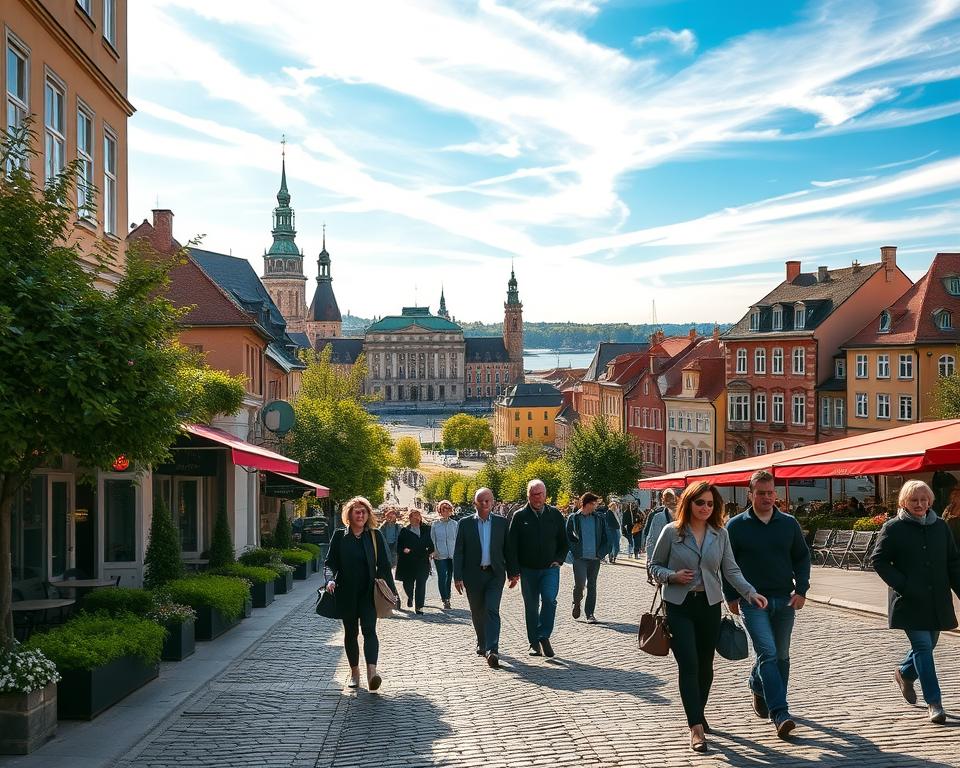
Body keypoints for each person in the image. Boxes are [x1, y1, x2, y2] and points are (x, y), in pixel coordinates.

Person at [650, 481, 768, 753]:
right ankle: (696, 728)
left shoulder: (720, 534)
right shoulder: (671, 532)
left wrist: (750, 593)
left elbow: (731, 570)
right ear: (689, 503)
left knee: (706, 667)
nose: (705, 507)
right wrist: (672, 576)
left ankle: (698, 712)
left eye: (710, 503)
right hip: (679, 605)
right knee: (689, 664)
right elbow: (652, 566)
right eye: (700, 502)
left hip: (709, 605)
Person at [724, 469, 810, 740]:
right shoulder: (736, 526)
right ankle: (780, 713)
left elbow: (802, 558)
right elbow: (727, 565)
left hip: (784, 599)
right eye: (760, 493)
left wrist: (802, 589)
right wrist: (731, 596)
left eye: (770, 492)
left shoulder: (789, 524)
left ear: (776, 494)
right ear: (750, 494)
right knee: (769, 653)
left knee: (781, 656)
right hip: (753, 601)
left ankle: (756, 684)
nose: (766, 497)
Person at [871, 480, 960, 725]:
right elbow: (878, 560)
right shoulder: (893, 527)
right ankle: (935, 702)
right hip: (909, 600)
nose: (919, 504)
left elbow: (953, 562)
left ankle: (904, 673)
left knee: (929, 644)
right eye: (914, 500)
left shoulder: (941, 527)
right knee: (922, 646)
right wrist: (904, 585)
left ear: (930, 501)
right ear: (904, 502)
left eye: (924, 499)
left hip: (936, 600)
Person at [324, 496, 398, 691]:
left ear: (368, 515)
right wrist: (330, 579)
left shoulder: (374, 536)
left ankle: (372, 672)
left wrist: (391, 593)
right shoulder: (340, 536)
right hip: (346, 592)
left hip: (368, 594)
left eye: (364, 511)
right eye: (357, 511)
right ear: (349, 515)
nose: (361, 515)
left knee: (369, 630)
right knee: (351, 633)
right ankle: (354, 672)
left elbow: (384, 566)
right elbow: (330, 563)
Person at [453, 487, 519, 668]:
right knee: (477, 611)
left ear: (493, 502)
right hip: (472, 575)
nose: (484, 504)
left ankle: (492, 649)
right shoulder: (465, 524)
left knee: (491, 609)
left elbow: (509, 550)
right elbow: (459, 551)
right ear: (475, 503)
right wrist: (457, 576)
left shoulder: (501, 523)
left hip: (495, 574)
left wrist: (513, 573)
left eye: (487, 500)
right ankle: (482, 641)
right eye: (480, 501)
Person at [508, 478, 569, 657]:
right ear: (528, 495)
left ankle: (543, 635)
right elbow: (511, 546)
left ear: (545, 494)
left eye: (540, 494)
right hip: (528, 570)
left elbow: (564, 542)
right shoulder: (519, 516)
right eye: (534, 495)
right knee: (531, 606)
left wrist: (559, 559)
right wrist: (513, 571)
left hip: (550, 569)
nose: (537, 498)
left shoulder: (555, 515)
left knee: (550, 600)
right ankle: (534, 643)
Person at [566, 492, 609, 623]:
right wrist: (574, 551)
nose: (595, 506)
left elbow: (606, 538)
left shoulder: (599, 518)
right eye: (593, 504)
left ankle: (590, 613)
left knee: (592, 585)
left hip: (595, 558)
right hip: (580, 558)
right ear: (586, 504)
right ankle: (577, 602)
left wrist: (601, 553)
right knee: (580, 584)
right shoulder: (574, 518)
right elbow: (567, 536)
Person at [395, 508, 434, 614]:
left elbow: (432, 544)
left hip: (422, 560)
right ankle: (410, 597)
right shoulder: (404, 531)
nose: (417, 518)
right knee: (408, 584)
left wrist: (431, 551)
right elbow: (398, 547)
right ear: (410, 518)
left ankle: (419, 607)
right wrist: (403, 550)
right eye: (414, 516)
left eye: (418, 516)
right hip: (408, 562)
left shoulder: (427, 529)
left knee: (421, 584)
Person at [431, 499, 459, 609]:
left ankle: (448, 596)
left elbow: (458, 539)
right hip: (440, 554)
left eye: (448, 509)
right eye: (443, 509)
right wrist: (434, 551)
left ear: (451, 511)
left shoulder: (455, 524)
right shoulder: (435, 524)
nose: (446, 511)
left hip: (452, 554)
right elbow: (432, 539)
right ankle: (445, 599)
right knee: (442, 576)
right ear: (440, 511)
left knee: (449, 577)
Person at [644, 489, 678, 564]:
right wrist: (651, 562)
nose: (671, 501)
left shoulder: (689, 517)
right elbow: (652, 540)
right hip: (664, 562)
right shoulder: (658, 517)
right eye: (667, 498)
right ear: (663, 500)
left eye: (673, 498)